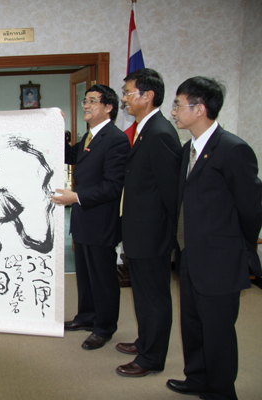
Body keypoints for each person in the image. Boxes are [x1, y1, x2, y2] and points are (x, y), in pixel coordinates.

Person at [166, 77, 262, 399]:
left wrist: (240, 249)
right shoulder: (189, 149)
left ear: (200, 109)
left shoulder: (233, 149)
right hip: (190, 254)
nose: (173, 111)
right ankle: (197, 379)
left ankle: (220, 391)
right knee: (193, 323)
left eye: (178, 105)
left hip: (220, 258)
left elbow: (251, 209)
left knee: (218, 331)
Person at [52, 85, 130, 350]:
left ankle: (105, 327)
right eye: (85, 101)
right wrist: (57, 128)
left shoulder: (116, 139)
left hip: (101, 221)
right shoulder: (89, 136)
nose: (85, 105)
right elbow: (69, 156)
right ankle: (86, 317)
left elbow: (112, 186)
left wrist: (76, 197)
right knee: (85, 275)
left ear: (108, 107)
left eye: (92, 101)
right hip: (84, 219)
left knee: (103, 278)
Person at [117, 68, 182, 377]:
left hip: (153, 235)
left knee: (154, 298)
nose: (124, 99)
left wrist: (168, 237)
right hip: (140, 232)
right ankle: (146, 342)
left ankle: (152, 358)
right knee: (142, 296)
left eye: (128, 93)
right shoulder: (146, 129)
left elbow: (171, 194)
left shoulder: (160, 134)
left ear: (148, 95)